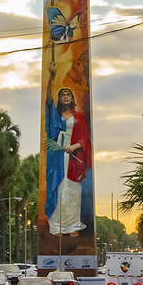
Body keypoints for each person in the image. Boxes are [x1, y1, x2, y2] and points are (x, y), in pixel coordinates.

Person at [45, 87, 90, 235]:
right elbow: (48, 102)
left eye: (68, 94)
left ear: (72, 98)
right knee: (58, 188)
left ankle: (72, 226)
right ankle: (56, 226)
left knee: (73, 190)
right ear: (59, 98)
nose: (65, 97)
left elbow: (85, 139)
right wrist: (51, 78)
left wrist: (75, 146)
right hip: (58, 155)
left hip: (73, 156)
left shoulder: (79, 117)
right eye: (62, 95)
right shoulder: (55, 116)